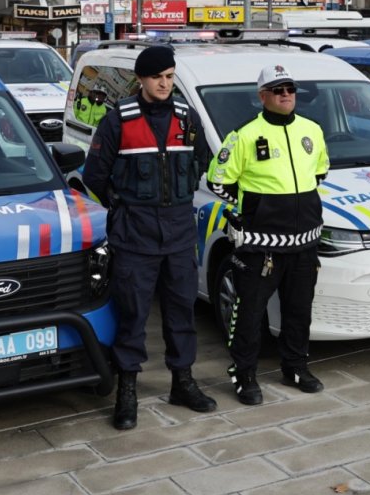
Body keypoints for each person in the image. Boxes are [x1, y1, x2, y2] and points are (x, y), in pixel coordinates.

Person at [83, 46, 216, 430]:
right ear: (141, 79)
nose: (164, 83)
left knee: (181, 311)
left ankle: (183, 382)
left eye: (170, 76)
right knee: (133, 316)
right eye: (157, 76)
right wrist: (124, 210)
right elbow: (94, 177)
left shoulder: (186, 118)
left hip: (177, 233)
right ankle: (127, 392)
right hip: (134, 236)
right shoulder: (117, 121)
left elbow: (201, 164)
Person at [208, 65, 330, 405]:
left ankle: (295, 367)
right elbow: (219, 181)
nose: (286, 94)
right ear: (262, 96)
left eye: (290, 88)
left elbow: (319, 172)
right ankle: (244, 375)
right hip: (261, 246)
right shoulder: (244, 135)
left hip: (304, 242)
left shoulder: (312, 130)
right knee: (249, 313)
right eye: (278, 90)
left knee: (298, 310)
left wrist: (296, 206)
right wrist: (255, 209)